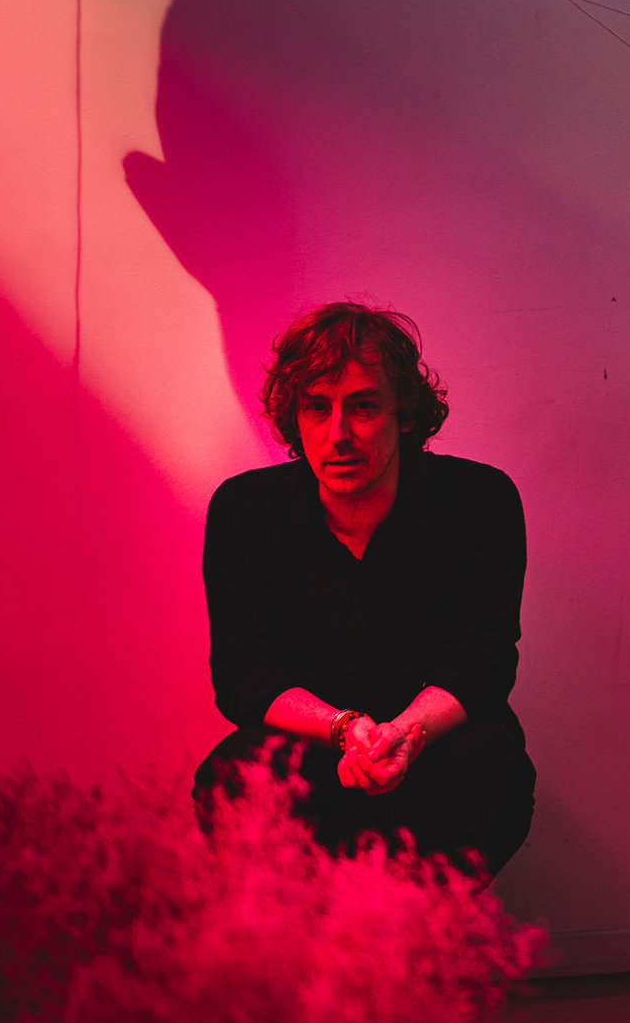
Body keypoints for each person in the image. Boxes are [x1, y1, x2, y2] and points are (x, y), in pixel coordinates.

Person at [193, 302, 535, 876]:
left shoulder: (480, 502)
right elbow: (242, 675)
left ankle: (418, 929)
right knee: (235, 774)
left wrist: (403, 736)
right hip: (313, 752)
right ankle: (306, 932)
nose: (339, 436)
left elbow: (483, 663)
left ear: (404, 412)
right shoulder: (244, 511)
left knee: (491, 765)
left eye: (363, 406)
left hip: (436, 751)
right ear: (294, 418)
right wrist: (345, 728)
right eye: (317, 407)